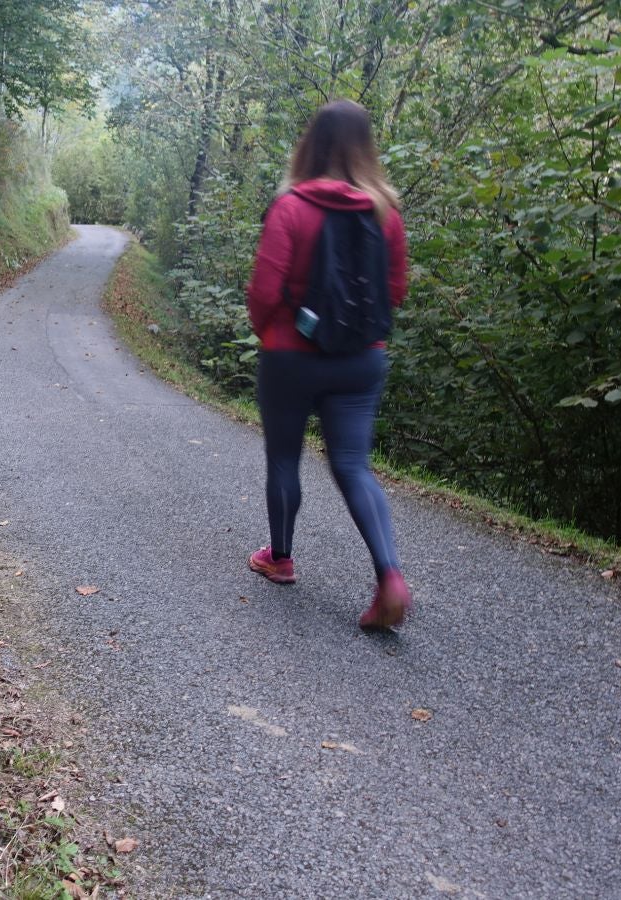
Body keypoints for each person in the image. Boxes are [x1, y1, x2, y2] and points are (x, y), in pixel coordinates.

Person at [244, 99, 412, 630]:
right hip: (361, 362)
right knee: (353, 465)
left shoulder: (290, 207)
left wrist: (272, 332)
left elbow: (265, 292)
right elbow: (396, 293)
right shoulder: (385, 213)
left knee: (284, 459)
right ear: (366, 148)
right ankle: (390, 578)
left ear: (309, 143)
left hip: (291, 356)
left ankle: (281, 557)